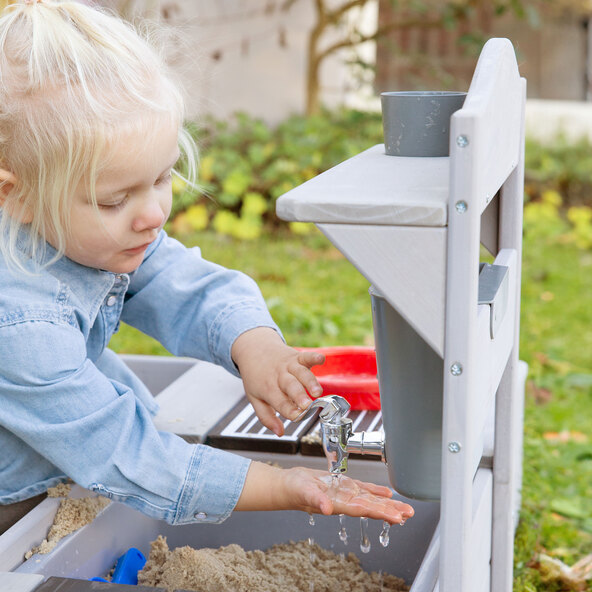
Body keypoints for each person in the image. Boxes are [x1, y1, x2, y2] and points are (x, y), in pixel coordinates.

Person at [0, 0, 413, 536]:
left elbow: (185, 286)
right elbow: (127, 454)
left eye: (161, 177)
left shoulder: (95, 235)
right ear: (16, 197)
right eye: (113, 199)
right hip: (15, 501)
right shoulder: (19, 324)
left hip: (73, 462)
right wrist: (284, 485)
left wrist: (255, 345)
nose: (153, 214)